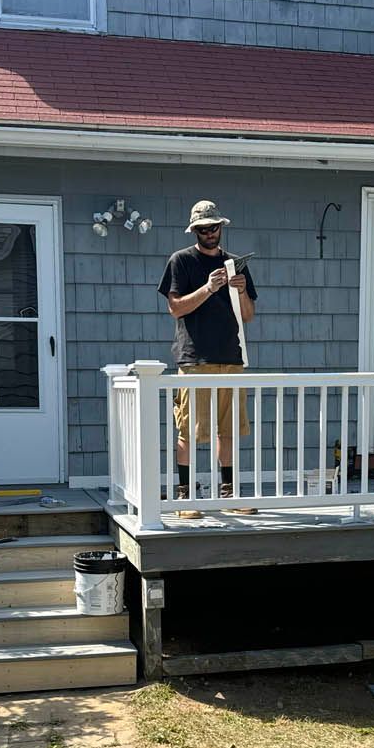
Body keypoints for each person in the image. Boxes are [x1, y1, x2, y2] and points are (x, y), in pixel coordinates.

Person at [157, 200, 257, 516]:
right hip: (194, 359)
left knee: (227, 429)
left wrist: (240, 290)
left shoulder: (235, 264)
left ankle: (228, 496)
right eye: (203, 228)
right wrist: (208, 288)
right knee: (189, 429)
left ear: (221, 227)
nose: (210, 232)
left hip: (231, 357)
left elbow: (249, 316)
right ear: (195, 230)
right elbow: (175, 308)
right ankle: (185, 498)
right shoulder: (181, 261)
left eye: (214, 227)